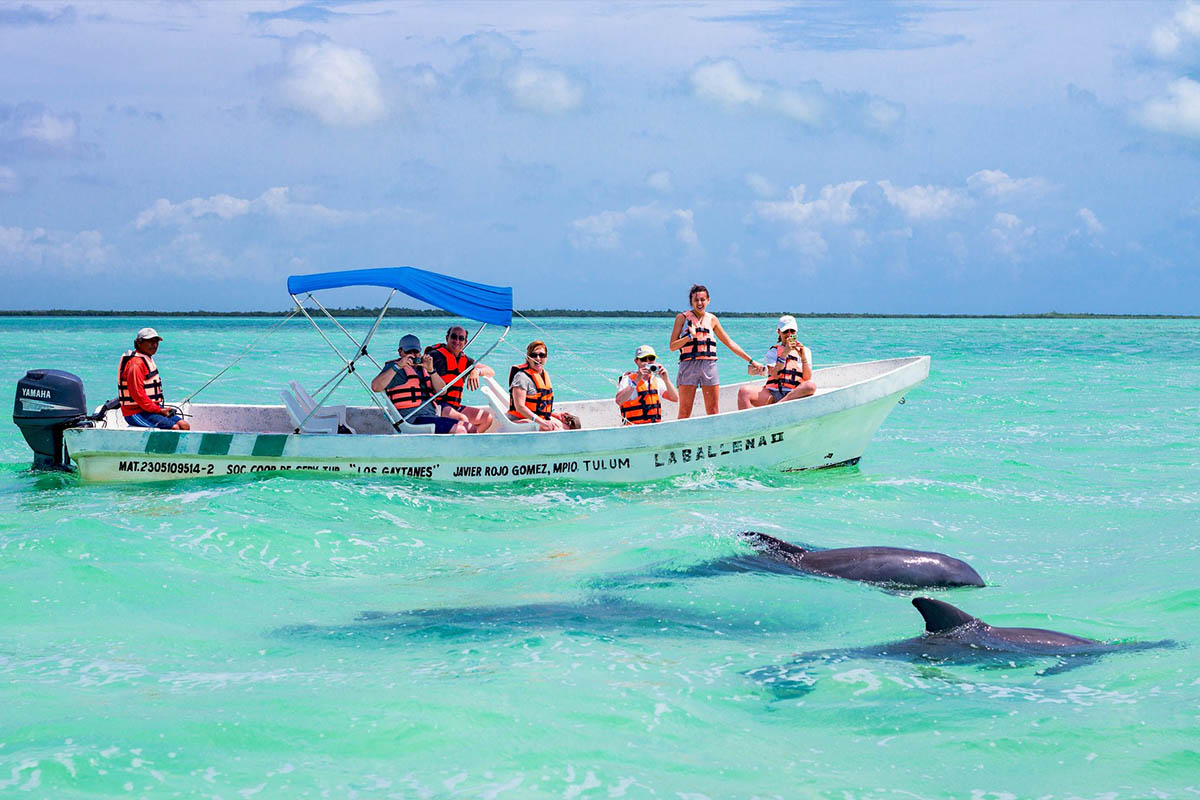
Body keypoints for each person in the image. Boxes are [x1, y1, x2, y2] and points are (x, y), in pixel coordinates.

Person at [668, 283, 761, 418]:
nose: (699, 303)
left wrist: (752, 361)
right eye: (696, 300)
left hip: (709, 366)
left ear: (708, 300)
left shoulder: (712, 319)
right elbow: (672, 346)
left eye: (702, 299)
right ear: (691, 302)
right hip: (688, 366)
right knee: (684, 411)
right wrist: (689, 337)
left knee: (713, 410)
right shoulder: (682, 318)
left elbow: (730, 343)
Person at [371, 334, 467, 434]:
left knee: (469, 427)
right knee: (461, 430)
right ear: (400, 352)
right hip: (413, 420)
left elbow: (442, 391)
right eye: (408, 352)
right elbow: (375, 387)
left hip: (431, 416)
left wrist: (431, 370)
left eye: (416, 352)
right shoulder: (394, 368)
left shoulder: (424, 368)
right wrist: (398, 366)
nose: (413, 355)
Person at [425, 325, 495, 433]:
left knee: (487, 418)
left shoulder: (466, 361)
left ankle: (468, 444)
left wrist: (476, 371)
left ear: (465, 341)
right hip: (437, 405)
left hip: (455, 406)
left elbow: (490, 371)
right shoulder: (434, 356)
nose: (457, 341)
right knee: (463, 420)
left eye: (461, 338)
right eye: (453, 337)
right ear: (447, 338)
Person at [737, 315, 816, 409]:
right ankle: (749, 421)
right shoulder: (773, 352)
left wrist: (803, 358)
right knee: (744, 391)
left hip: (794, 393)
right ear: (779, 332)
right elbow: (775, 375)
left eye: (792, 331)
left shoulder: (805, 351)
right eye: (785, 331)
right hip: (773, 394)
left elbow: (807, 378)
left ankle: (779, 406)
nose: (789, 334)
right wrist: (784, 353)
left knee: (810, 386)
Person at [118, 327, 191, 430]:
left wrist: (158, 409)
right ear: (139, 343)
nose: (154, 345)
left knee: (184, 425)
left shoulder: (146, 359)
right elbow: (138, 395)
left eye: (156, 342)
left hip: (150, 410)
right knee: (174, 428)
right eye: (150, 342)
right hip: (135, 413)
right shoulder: (136, 365)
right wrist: (159, 411)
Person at [508, 340, 575, 431]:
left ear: (546, 358)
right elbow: (520, 407)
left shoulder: (543, 375)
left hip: (535, 419)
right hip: (519, 420)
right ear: (528, 358)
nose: (538, 358)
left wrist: (557, 415)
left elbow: (541, 407)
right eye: (533, 355)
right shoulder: (521, 377)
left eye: (542, 355)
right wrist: (541, 422)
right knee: (556, 429)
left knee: (571, 426)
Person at [614, 345, 678, 425]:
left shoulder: (657, 381)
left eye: (651, 359)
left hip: (654, 426)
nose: (647, 362)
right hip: (633, 427)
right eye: (643, 359)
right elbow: (619, 400)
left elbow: (675, 398)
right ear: (636, 361)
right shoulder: (628, 380)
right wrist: (637, 380)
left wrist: (666, 379)